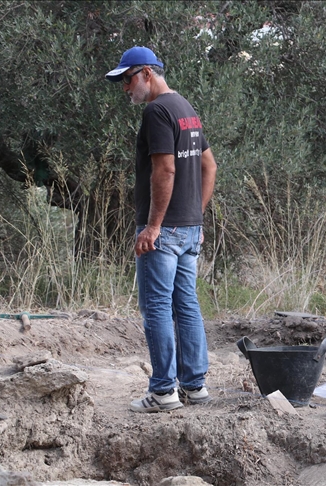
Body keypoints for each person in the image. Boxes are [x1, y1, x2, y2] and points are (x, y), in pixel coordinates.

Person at [106, 46, 218, 412]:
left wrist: (153, 226)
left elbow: (165, 170)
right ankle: (194, 386)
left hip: (165, 231)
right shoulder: (185, 108)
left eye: (127, 79)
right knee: (186, 303)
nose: (126, 87)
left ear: (146, 73)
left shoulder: (156, 111)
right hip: (188, 229)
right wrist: (196, 217)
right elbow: (209, 167)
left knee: (156, 306)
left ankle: (163, 391)